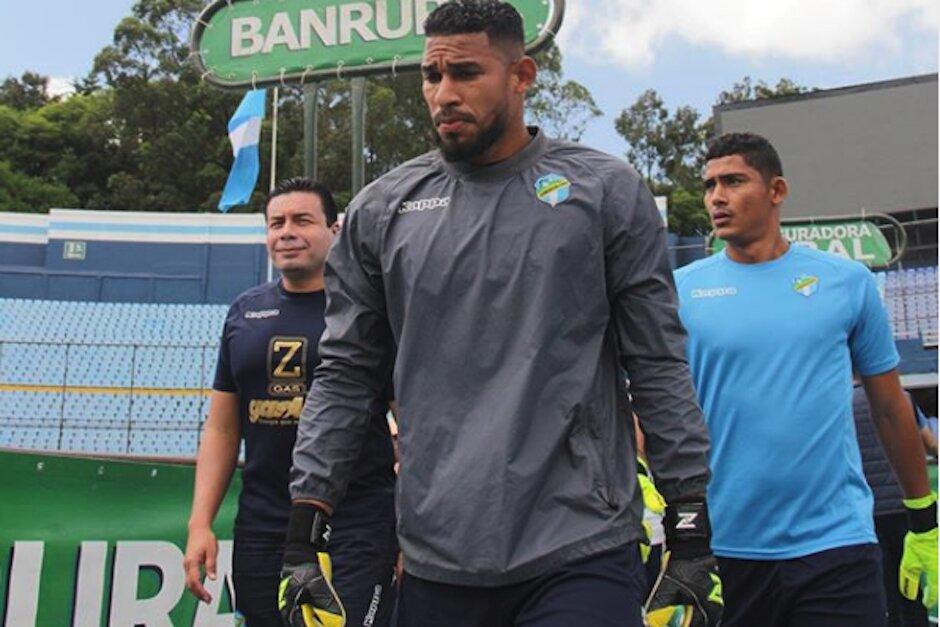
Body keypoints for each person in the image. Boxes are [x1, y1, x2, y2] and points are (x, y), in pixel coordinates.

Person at [278, 2, 723, 627]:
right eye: (432, 76)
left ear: (522, 76)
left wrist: (690, 523)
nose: (443, 94)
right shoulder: (383, 210)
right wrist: (306, 526)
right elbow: (346, 376)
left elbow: (655, 364)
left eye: (466, 73)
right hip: (436, 556)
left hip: (581, 547)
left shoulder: (605, 193)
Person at [675, 132, 938, 627]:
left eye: (733, 181)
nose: (717, 197)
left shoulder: (848, 282)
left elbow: (888, 407)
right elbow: (657, 410)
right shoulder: (680, 291)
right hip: (727, 548)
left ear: (777, 190)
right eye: (710, 184)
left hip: (837, 544)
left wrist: (923, 520)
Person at [183, 178, 398, 627]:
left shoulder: (370, 314)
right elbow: (223, 428)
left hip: (356, 524)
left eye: (302, 220)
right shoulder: (245, 312)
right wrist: (200, 523)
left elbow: (409, 421)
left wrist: (408, 529)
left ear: (335, 231)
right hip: (263, 528)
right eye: (276, 223)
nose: (286, 232)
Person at [853, 381, 933, 627]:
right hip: (903, 508)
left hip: (867, 512)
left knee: (884, 586)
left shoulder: (841, 404)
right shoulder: (901, 399)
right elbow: (931, 443)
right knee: (911, 586)